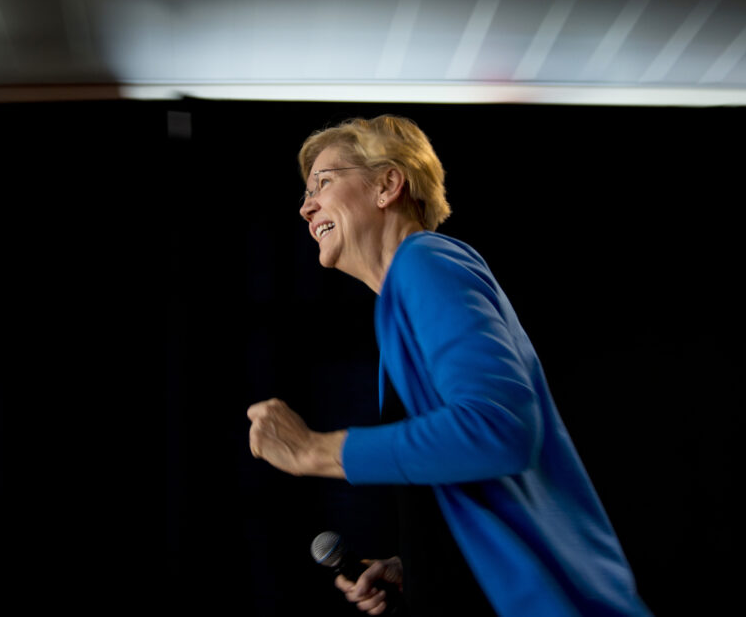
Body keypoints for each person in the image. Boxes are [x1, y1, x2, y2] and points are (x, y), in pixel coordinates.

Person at [247, 115, 651, 616]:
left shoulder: (425, 261)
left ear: (387, 185)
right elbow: (469, 468)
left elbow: (498, 429)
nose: (306, 206)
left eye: (324, 183)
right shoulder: (403, 300)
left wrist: (317, 451)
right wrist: (416, 564)